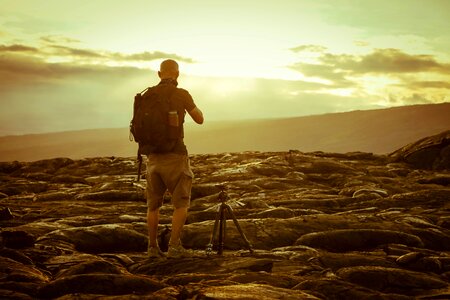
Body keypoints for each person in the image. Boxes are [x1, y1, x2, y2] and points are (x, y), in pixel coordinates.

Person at [146, 59, 204, 258]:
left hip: (152, 157)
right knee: (181, 204)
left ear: (158, 74)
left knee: (153, 206)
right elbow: (199, 119)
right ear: (177, 74)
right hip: (176, 155)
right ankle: (174, 247)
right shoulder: (182, 94)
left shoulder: (147, 95)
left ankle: (152, 248)